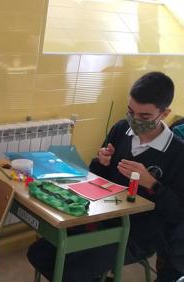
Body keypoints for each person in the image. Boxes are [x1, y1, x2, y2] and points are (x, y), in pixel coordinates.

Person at [27, 72, 184, 282]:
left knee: (71, 271)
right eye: (131, 112)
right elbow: (96, 179)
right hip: (101, 218)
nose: (135, 120)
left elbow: (178, 212)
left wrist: (152, 184)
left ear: (164, 113)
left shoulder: (177, 153)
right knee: (40, 253)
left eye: (144, 117)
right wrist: (100, 162)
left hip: (138, 235)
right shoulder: (121, 129)